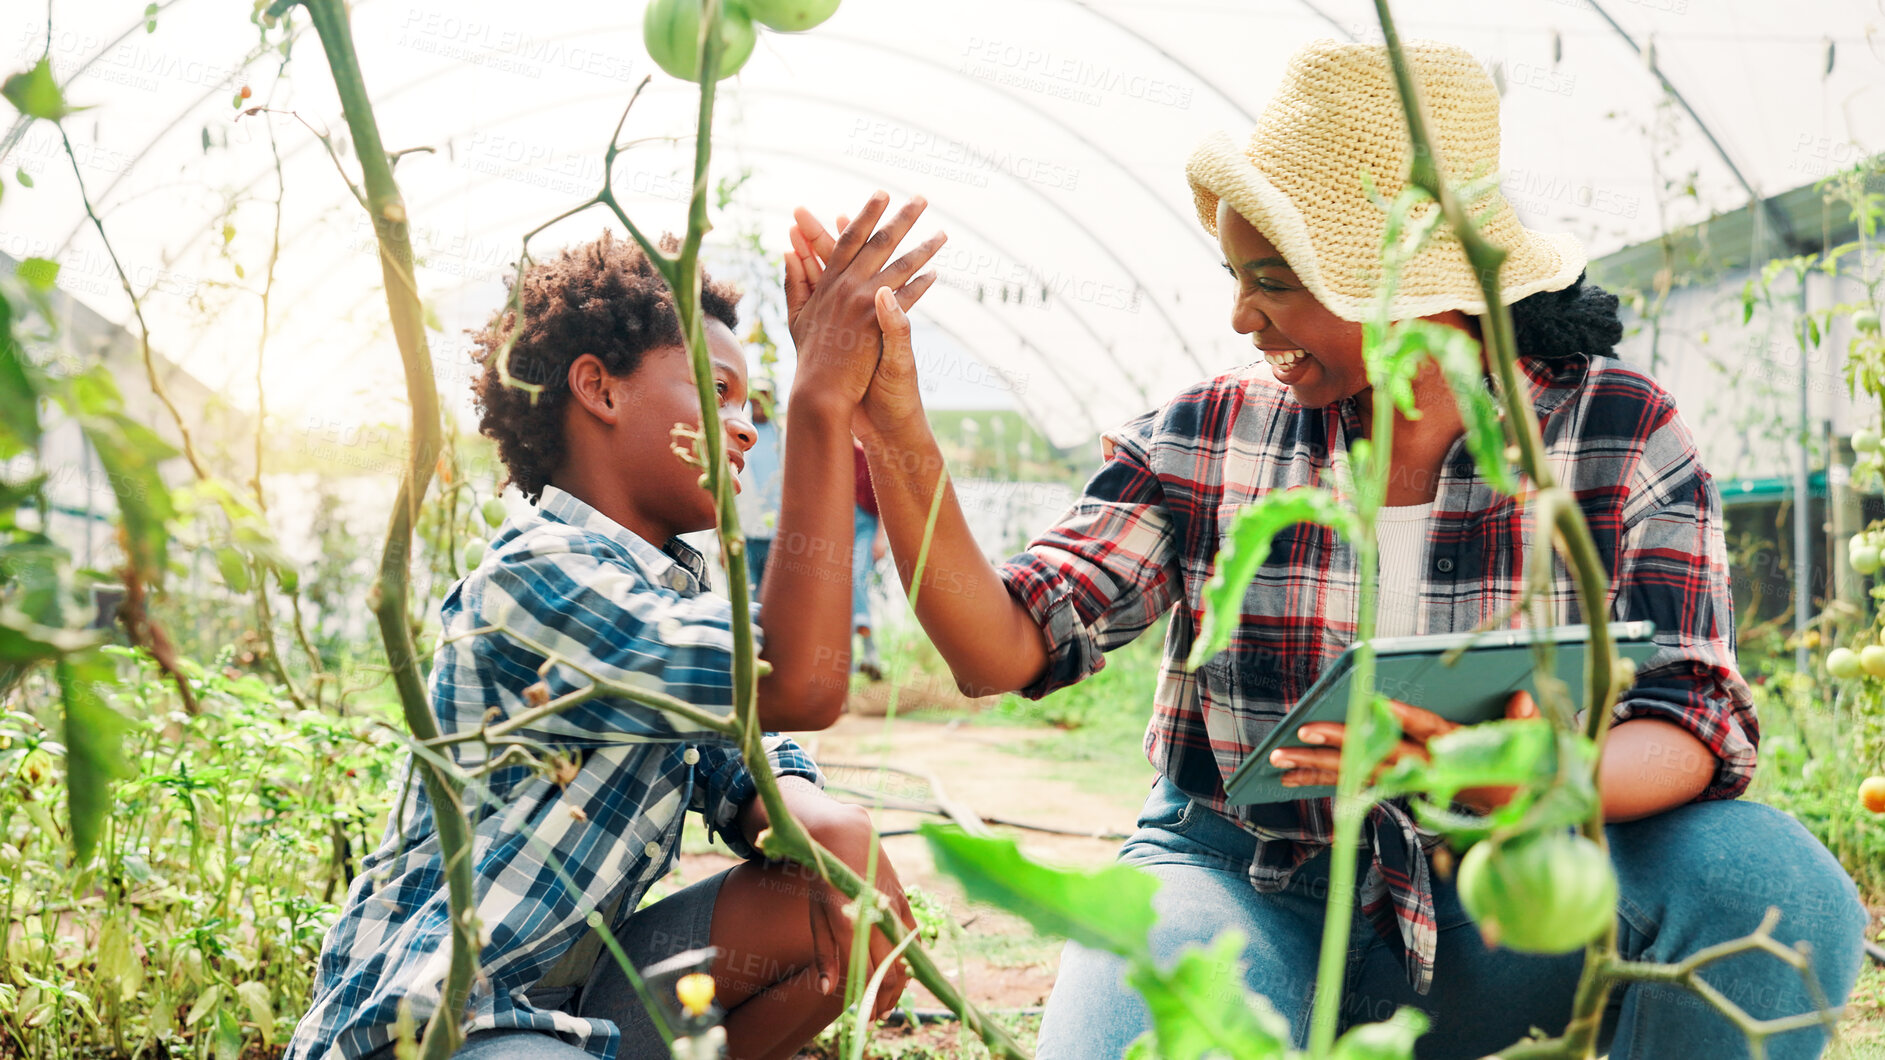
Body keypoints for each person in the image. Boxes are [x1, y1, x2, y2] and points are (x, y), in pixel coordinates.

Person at [785, 40, 1867, 1060]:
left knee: (1777, 884)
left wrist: (1534, 778)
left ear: (1406, 283)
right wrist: (895, 426)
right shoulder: (1211, 433)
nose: (1241, 318)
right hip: (1248, 876)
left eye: (1272, 279)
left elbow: (1692, 716)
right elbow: (1002, 646)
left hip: (1502, 893)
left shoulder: (1615, 430)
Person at [288, 197, 946, 1060]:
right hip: (438, 1019)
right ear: (598, 388)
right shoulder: (537, 578)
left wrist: (831, 832)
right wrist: (821, 397)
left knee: (825, 912)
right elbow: (802, 684)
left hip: (568, 1010)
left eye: (757, 404)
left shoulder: (675, 597)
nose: (747, 424)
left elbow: (759, 760)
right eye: (717, 392)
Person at [735, 376, 783, 594]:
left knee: (775, 597)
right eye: (755, 397)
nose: (759, 402)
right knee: (745, 595)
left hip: (778, 536)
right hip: (745, 533)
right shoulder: (739, 435)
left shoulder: (783, 436)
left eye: (765, 397)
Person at [852, 439, 888, 680]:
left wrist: (880, 538)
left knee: (856, 581)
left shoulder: (864, 454)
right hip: (837, 527)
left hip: (866, 525)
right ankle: (861, 655)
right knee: (840, 591)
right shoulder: (825, 452)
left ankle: (869, 651)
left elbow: (884, 498)